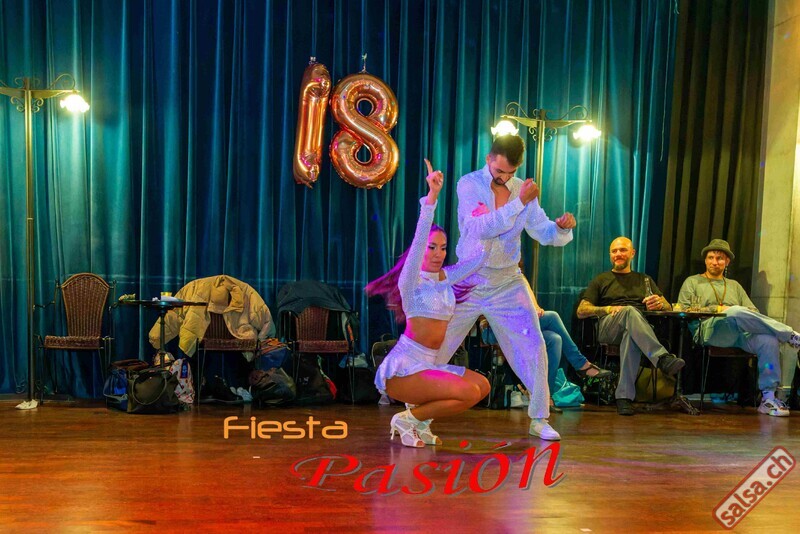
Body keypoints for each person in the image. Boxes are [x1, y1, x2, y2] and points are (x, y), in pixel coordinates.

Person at [433, 134, 576, 441]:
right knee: (438, 341)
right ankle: (416, 412)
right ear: (489, 159)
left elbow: (541, 230)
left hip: (508, 281)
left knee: (534, 346)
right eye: (499, 171)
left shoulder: (521, 188)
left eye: (511, 173)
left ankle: (540, 417)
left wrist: (561, 229)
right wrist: (519, 202)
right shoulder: (469, 184)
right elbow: (480, 228)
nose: (504, 178)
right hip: (469, 278)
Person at [366, 159, 490, 448]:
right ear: (421, 249)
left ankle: (418, 422)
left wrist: (484, 223)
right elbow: (422, 234)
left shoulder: (445, 279)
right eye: (432, 247)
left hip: (429, 365)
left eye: (443, 248)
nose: (438, 253)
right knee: (468, 392)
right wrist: (432, 197)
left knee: (482, 386)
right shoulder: (411, 281)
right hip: (406, 369)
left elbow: (480, 258)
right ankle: (407, 419)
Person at [677, 238, 800, 417]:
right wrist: (718, 309)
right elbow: (683, 309)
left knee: (768, 340)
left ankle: (768, 398)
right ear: (705, 260)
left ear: (727, 261)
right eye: (711, 257)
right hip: (708, 330)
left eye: (720, 258)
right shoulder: (692, 282)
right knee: (734, 311)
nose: (714, 262)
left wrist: (734, 311)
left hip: (738, 333)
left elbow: (753, 311)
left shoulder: (734, 285)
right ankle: (789, 335)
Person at [577, 236, 685, 416]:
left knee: (631, 335)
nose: (618, 254)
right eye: (614, 251)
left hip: (637, 329)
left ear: (633, 253)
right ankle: (661, 358)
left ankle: (624, 397)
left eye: (623, 250)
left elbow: (668, 307)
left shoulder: (644, 280)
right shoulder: (601, 279)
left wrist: (659, 304)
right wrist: (608, 309)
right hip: (608, 327)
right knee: (629, 311)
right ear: (610, 255)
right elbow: (581, 311)